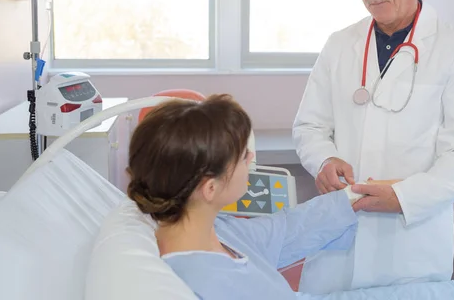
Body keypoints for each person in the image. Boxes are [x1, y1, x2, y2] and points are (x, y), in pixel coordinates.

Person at [293, 0, 454, 294]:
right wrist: (323, 160)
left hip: (410, 241)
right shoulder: (340, 45)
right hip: (340, 233)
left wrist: (404, 197)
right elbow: (309, 127)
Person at [125, 94, 360, 300]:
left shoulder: (213, 230)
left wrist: (355, 195)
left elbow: (285, 229)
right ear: (210, 188)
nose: (251, 158)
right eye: (242, 157)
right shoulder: (200, 283)